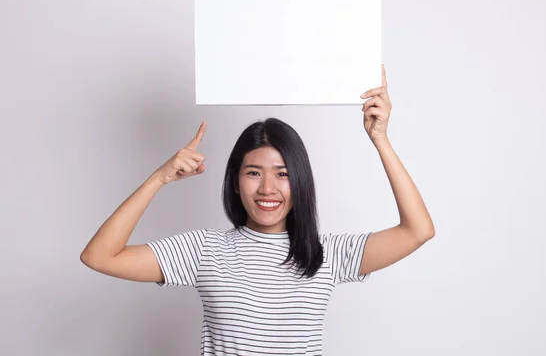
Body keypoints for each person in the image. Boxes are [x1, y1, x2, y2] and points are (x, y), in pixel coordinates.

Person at [80, 65, 435, 355]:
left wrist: (380, 139)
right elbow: (100, 256)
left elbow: (418, 230)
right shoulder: (205, 250)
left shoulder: (327, 254)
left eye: (282, 174)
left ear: (300, 182)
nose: (267, 189)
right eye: (254, 173)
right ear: (235, 181)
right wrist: (160, 177)